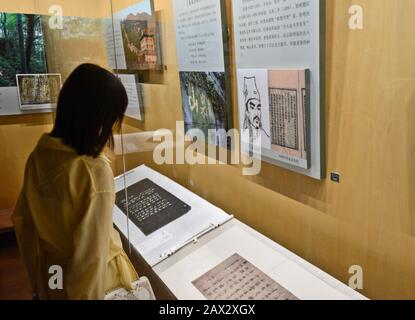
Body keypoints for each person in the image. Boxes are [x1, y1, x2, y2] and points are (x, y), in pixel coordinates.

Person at [12, 63, 138, 300]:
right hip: (100, 282)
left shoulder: (38, 155)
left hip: (52, 271)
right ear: (99, 117)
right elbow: (91, 258)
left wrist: (36, 280)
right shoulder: (94, 171)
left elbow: (23, 223)